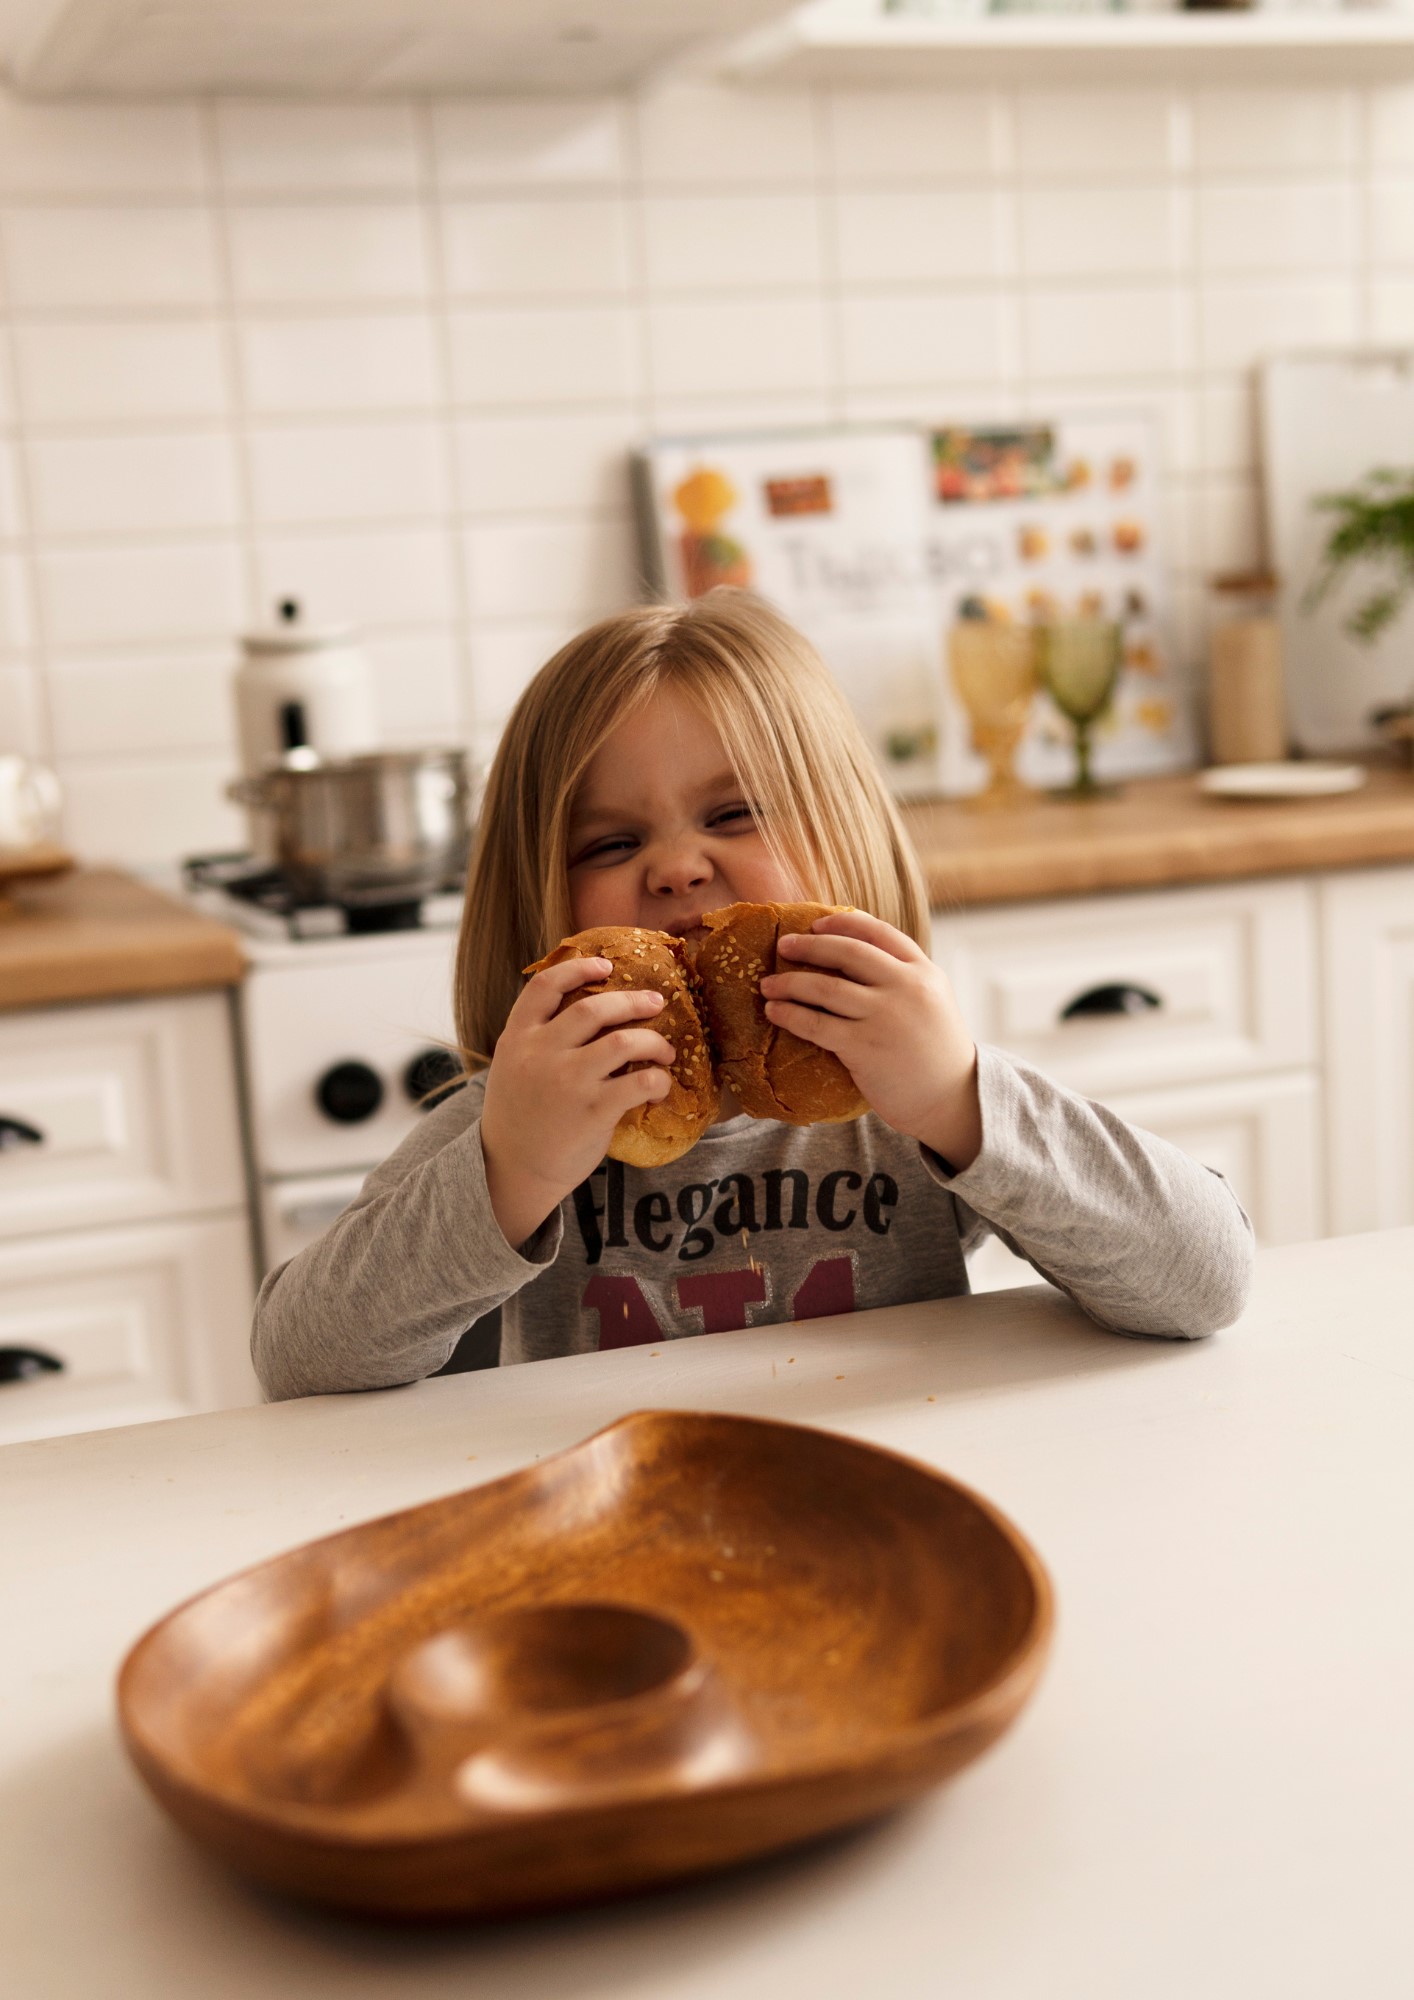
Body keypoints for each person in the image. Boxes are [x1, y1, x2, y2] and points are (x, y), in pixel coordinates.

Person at [251, 590, 1253, 1400]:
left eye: (733, 812)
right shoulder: (519, 1118)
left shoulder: (904, 1096)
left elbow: (1204, 1280)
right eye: (611, 842)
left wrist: (959, 1101)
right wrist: (511, 1167)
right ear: (540, 904)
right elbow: (301, 1360)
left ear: (846, 836)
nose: (679, 866)